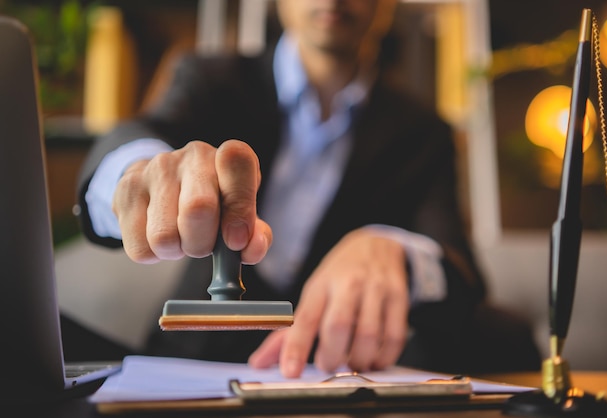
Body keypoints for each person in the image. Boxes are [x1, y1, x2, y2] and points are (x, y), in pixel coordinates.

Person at [75, 0, 540, 377]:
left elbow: (462, 276)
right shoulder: (209, 78)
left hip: (331, 376)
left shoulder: (422, 131)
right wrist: (136, 173)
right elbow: (139, 135)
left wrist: (396, 250)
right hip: (193, 364)